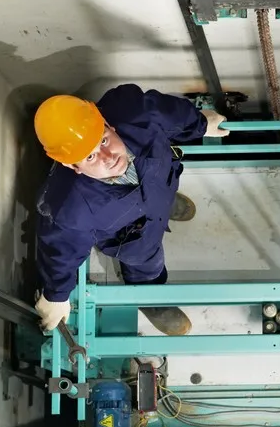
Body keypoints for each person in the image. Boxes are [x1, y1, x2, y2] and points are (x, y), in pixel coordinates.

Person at [32, 85, 229, 335]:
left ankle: (165, 206)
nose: (107, 156)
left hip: (160, 186)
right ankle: (149, 295)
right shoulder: (72, 211)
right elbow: (60, 252)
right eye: (90, 157)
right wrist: (56, 294)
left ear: (107, 123)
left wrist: (200, 124)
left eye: (104, 140)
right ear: (73, 166)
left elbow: (171, 113)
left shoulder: (135, 112)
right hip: (137, 238)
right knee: (148, 263)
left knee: (162, 195)